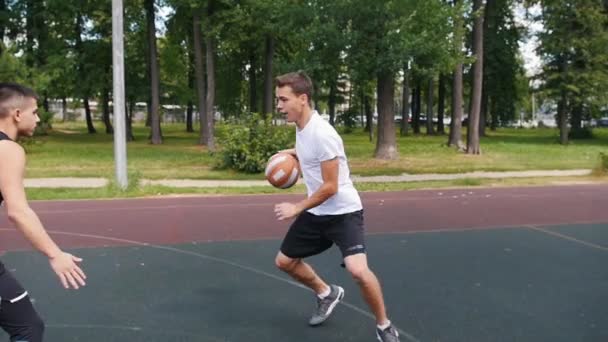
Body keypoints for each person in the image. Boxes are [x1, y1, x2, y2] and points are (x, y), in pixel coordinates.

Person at [273, 71, 400, 342]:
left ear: (302, 99)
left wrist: (296, 208)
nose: (279, 106)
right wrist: (290, 154)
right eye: (278, 100)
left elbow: (330, 187)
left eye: (283, 100)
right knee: (284, 262)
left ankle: (384, 326)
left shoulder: (323, 134)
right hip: (317, 213)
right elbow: (310, 154)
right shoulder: (302, 127)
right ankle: (326, 293)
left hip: (343, 213)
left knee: (358, 271)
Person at [0, 82, 87, 341]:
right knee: (27, 328)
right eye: (35, 112)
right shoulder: (7, 150)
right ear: (17, 114)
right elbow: (18, 211)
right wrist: (55, 254)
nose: (38, 118)